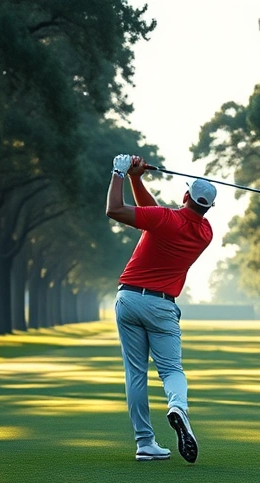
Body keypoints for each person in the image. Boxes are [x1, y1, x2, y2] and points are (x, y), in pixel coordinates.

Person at [105, 153, 215, 463]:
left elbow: (114, 209)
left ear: (185, 196)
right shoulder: (205, 234)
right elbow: (152, 214)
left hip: (128, 300)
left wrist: (119, 173)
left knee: (136, 373)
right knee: (171, 370)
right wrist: (136, 179)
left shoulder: (166, 219)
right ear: (208, 207)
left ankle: (145, 442)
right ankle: (177, 405)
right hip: (163, 307)